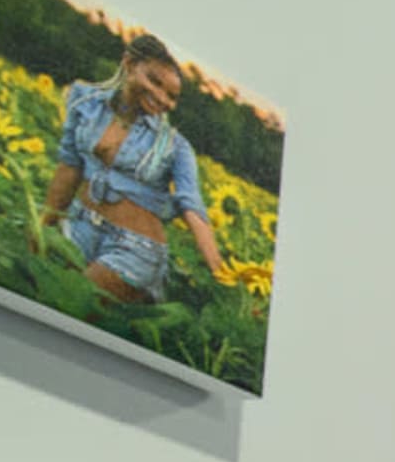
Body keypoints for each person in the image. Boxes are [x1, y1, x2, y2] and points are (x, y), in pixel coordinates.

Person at [38, 31, 254, 305]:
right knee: (45, 297)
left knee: (72, 301)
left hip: (135, 248)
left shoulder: (176, 147)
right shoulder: (85, 102)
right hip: (78, 226)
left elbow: (192, 208)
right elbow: (69, 167)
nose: (162, 99)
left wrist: (224, 275)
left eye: (172, 96)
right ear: (129, 64)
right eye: (154, 81)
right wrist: (44, 223)